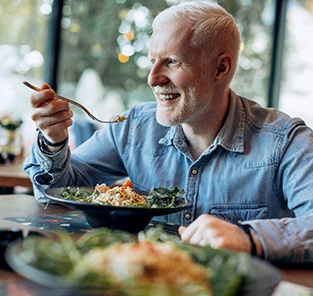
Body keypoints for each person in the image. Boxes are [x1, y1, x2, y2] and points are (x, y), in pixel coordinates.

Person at [24, 1, 313, 264]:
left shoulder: (286, 142)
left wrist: (249, 238)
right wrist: (54, 141)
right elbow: (54, 192)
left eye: (172, 61)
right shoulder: (133, 127)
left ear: (221, 68)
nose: (153, 78)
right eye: (152, 61)